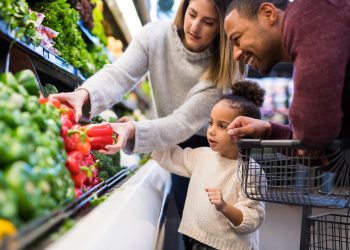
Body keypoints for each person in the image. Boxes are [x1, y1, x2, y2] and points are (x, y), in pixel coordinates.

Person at [51, 0, 244, 224]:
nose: (194, 27)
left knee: (210, 226)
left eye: (208, 22)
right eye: (192, 14)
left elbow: (181, 123)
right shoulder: (157, 35)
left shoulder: (222, 69)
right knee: (188, 224)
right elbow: (120, 74)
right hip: (173, 145)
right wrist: (85, 94)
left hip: (210, 151)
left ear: (221, 27)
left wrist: (132, 130)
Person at [152, 80, 265, 250]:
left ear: (245, 131)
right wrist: (136, 133)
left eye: (222, 126)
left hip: (228, 246)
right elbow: (170, 155)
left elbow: (253, 217)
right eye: (211, 122)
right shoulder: (203, 156)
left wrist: (224, 207)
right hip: (196, 240)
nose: (211, 130)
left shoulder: (251, 171)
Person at [223, 0, 350, 145]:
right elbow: (314, 147)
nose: (235, 55)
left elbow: (314, 130)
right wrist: (269, 131)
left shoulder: (311, 11)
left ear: (268, 13)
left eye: (237, 39)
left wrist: (305, 136)